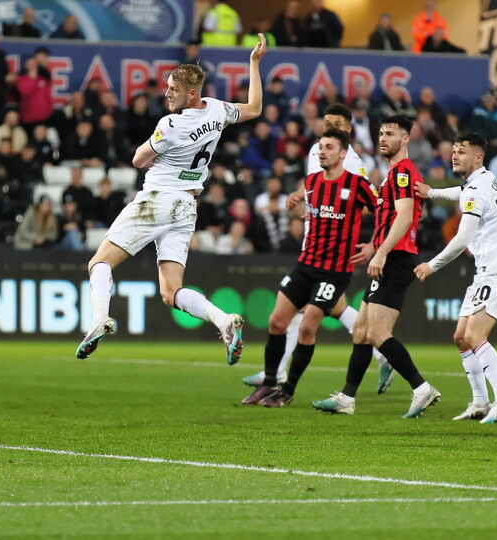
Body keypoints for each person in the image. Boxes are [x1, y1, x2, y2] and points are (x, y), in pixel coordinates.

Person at [76, 35, 269, 364]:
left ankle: (99, 318)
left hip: (158, 199)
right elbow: (254, 108)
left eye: (173, 90)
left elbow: (138, 159)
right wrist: (254, 63)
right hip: (186, 206)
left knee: (99, 262)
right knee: (170, 292)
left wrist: (154, 148)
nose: (167, 94)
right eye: (167, 88)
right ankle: (223, 320)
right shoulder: (217, 110)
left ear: (191, 94)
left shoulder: (171, 124)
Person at [241, 104, 393, 392]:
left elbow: (364, 203)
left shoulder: (352, 162)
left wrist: (345, 224)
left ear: (348, 130)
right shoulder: (317, 150)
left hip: (333, 247)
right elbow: (314, 184)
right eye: (326, 123)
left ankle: (278, 374)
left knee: (306, 315)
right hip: (312, 241)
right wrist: (301, 197)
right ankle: (381, 353)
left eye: (335, 124)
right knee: (330, 309)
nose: (328, 128)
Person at [312, 115, 438, 417]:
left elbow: (404, 217)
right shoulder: (393, 173)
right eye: (381, 133)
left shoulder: (403, 172)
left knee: (379, 333)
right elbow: (391, 218)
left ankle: (422, 388)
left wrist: (380, 253)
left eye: (390, 133)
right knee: (360, 330)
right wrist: (374, 247)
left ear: (405, 139)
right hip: (388, 254)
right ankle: (346, 398)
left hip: (396, 258)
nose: (383, 138)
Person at [413, 132, 497, 423]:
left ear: (478, 157)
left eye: (461, 151)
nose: (454, 155)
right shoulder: (485, 180)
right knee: (461, 338)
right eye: (454, 150)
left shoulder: (475, 190)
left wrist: (432, 265)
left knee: (474, 335)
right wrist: (432, 193)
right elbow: (461, 192)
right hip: (488, 269)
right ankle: (480, 402)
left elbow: (462, 239)